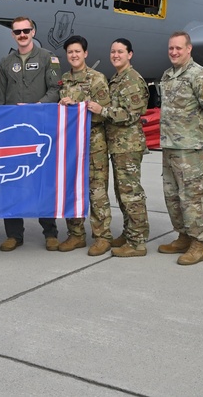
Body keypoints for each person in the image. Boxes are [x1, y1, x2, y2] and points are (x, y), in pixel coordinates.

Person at [0, 16, 62, 251]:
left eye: (26, 30)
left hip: (39, 128)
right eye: (17, 32)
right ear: (12, 35)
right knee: (11, 180)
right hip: (13, 131)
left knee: (42, 180)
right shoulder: (5, 62)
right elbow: (0, 98)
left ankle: (50, 232)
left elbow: (55, 90)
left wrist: (37, 106)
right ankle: (14, 235)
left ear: (33, 31)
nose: (22, 35)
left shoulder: (47, 58)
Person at [158, 31, 203, 266]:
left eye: (178, 48)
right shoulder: (168, 75)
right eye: (171, 48)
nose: (174, 52)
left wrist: (197, 134)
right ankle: (183, 236)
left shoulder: (200, 74)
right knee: (172, 195)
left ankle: (198, 243)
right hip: (169, 145)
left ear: (189, 49)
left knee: (192, 197)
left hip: (190, 148)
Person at [57, 35, 113, 256]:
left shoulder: (97, 79)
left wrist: (78, 107)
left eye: (77, 52)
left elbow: (103, 112)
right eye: (70, 52)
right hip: (71, 146)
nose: (73, 55)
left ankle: (102, 236)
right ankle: (76, 234)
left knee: (97, 192)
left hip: (94, 145)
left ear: (85, 53)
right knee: (72, 189)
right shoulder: (64, 80)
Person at [95, 38, 150, 258]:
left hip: (128, 145)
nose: (116, 55)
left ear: (130, 54)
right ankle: (129, 234)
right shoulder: (117, 79)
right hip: (118, 146)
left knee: (131, 193)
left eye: (120, 51)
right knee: (122, 192)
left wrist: (102, 110)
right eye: (113, 51)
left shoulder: (132, 80)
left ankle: (137, 242)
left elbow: (131, 114)